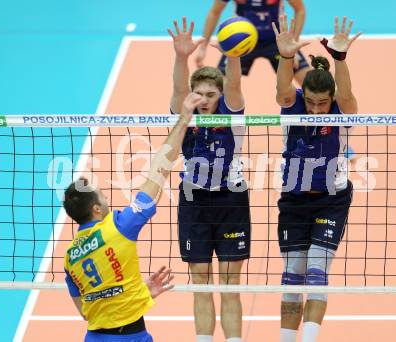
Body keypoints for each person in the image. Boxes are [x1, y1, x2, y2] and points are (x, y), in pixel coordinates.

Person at [63, 93, 203, 342]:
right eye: (102, 197)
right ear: (96, 209)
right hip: (132, 336)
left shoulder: (69, 258)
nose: (107, 199)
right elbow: (158, 170)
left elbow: (86, 312)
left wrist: (138, 294)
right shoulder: (119, 227)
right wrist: (183, 119)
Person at [273, 14, 360, 342]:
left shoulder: (340, 109)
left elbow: (348, 96)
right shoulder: (292, 105)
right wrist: (285, 57)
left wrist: (340, 58)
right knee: (293, 277)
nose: (316, 109)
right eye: (311, 102)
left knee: (316, 271)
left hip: (331, 200)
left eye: (322, 103)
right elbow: (283, 89)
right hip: (293, 200)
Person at [168, 17, 250, 342]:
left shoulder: (232, 115)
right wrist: (181, 56)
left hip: (231, 201)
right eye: (199, 94)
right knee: (200, 283)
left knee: (230, 286)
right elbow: (177, 91)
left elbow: (234, 86)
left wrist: (233, 53)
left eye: (211, 94)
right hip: (194, 203)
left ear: (219, 95)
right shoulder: (185, 115)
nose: (204, 99)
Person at [195, 0, 310, 84]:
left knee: (311, 86)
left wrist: (293, 42)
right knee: (218, 87)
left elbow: (300, 10)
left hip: (277, 41)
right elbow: (214, 12)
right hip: (241, 41)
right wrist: (203, 47)